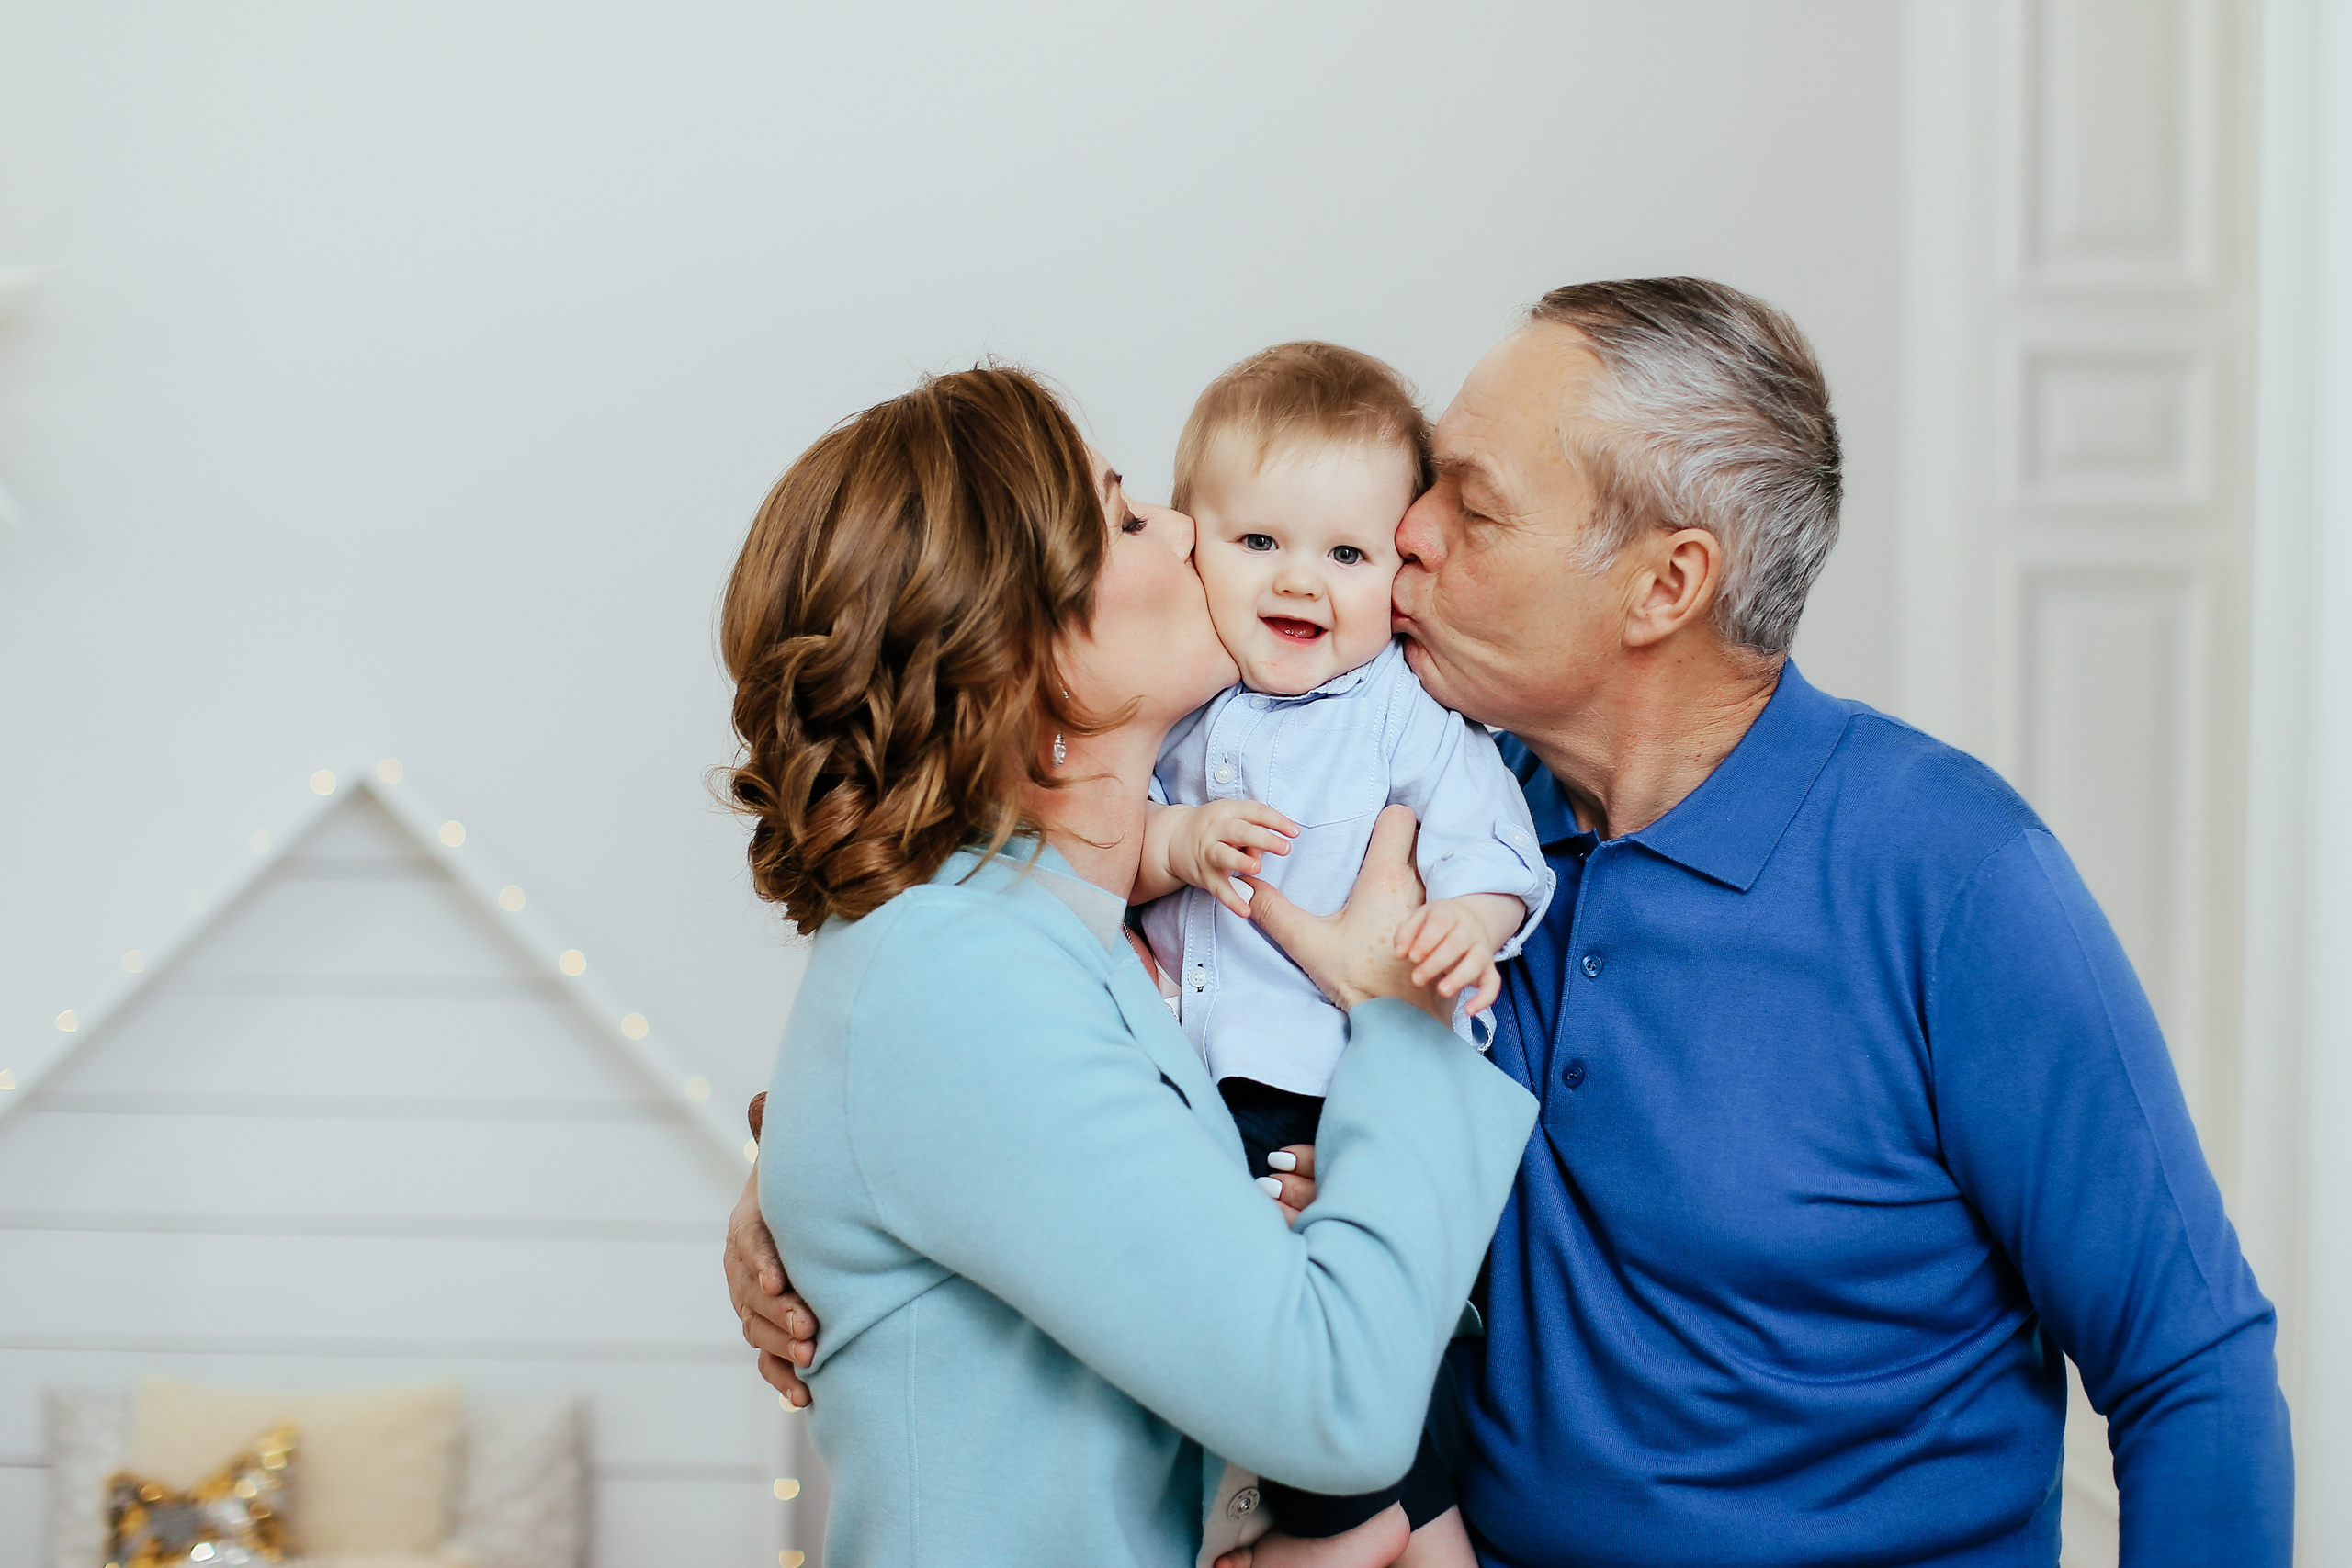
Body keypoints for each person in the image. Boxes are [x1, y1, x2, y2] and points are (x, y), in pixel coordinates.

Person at [728, 281, 2294, 1567]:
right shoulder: (1437, 835)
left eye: (1465, 508)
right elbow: (1027, 1066)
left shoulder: (1953, 880)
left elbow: (2191, 1366)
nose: (1401, 535)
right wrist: (806, 1178)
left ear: (1663, 586)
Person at [717, 365, 1537, 1568]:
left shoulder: (1066, 946)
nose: (1187, 528)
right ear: (1024, 656)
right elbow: (1334, 1406)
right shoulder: (955, 980)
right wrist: (1400, 1020)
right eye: (1128, 518)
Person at [1134, 341, 1554, 1567]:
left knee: (1347, 1348)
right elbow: (1097, 848)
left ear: (1399, 577)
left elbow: (1494, 844)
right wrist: (1177, 841)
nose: (1299, 580)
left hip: (1332, 1090)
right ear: (1191, 543)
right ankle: (1386, 1531)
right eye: (1259, 541)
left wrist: (1468, 924)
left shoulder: (1404, 713)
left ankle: (1335, 1536)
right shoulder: (1175, 699)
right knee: (1271, 1355)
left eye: (1348, 555)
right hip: (1188, 1091)